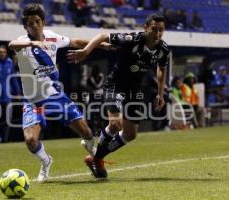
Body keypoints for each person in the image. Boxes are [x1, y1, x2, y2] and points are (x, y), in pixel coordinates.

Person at [8, 3, 110, 182]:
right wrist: (32, 43)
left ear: (43, 22)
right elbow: (11, 44)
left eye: (37, 21)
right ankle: (46, 161)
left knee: (87, 132)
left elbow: (76, 42)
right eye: (30, 23)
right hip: (33, 102)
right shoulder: (22, 42)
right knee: (30, 140)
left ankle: (93, 152)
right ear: (26, 27)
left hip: (55, 97)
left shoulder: (52, 37)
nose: (35, 25)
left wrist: (101, 45)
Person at [67, 13, 169, 178]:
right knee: (115, 124)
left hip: (134, 91)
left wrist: (160, 93)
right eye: (154, 29)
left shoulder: (163, 49)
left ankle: (96, 158)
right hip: (115, 86)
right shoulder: (132, 38)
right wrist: (86, 51)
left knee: (131, 134)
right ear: (146, 28)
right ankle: (97, 159)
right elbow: (102, 36)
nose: (157, 34)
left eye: (161, 30)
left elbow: (162, 69)